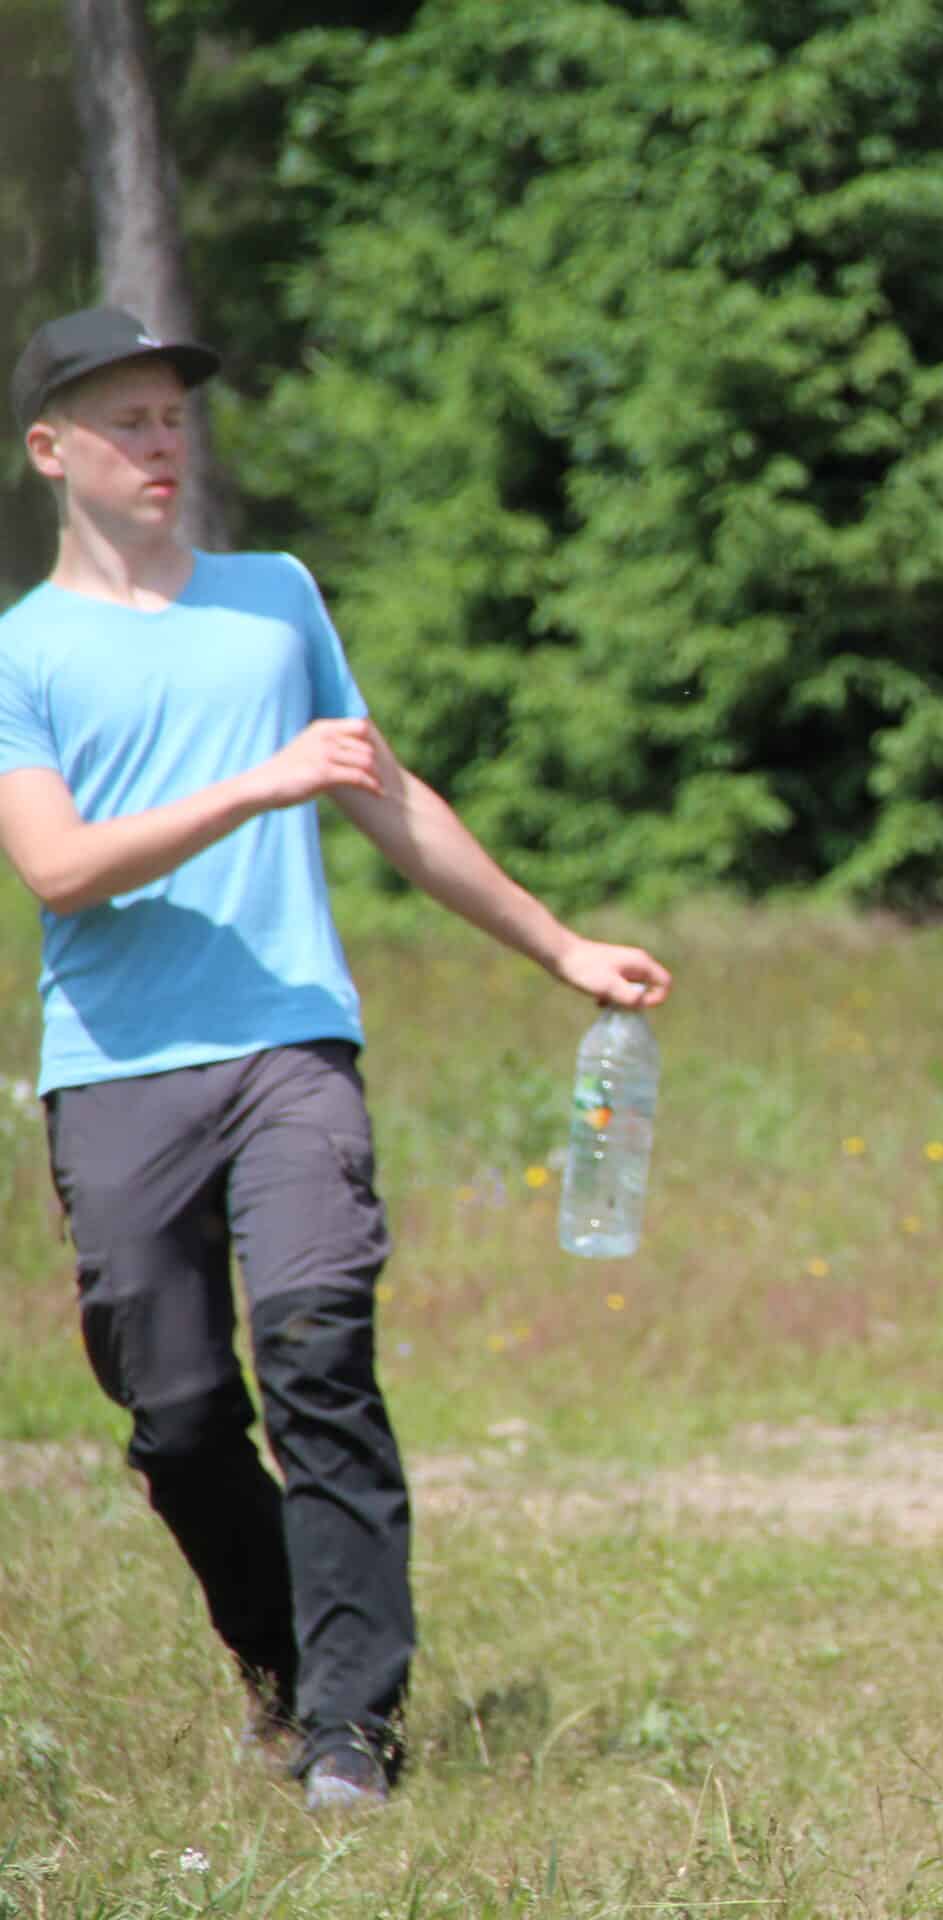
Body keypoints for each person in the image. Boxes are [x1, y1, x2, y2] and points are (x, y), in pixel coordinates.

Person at [0, 307, 674, 1811]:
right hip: (117, 1066)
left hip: (292, 1048)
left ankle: (354, 1730)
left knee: (318, 1357)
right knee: (174, 1414)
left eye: (174, 416)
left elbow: (385, 795)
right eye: (127, 420)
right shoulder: (20, 653)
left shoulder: (275, 596)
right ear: (52, 451)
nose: (162, 443)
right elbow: (57, 870)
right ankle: (286, 1666)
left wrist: (560, 944)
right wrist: (259, 783)